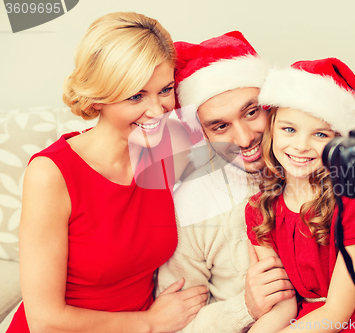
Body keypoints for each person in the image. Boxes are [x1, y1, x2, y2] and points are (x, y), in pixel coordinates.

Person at [158, 31, 355, 332]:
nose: (244, 138)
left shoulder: (339, 168)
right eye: (219, 126)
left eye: (252, 112)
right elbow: (178, 322)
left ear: (275, 107)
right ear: (202, 132)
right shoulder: (193, 205)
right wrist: (245, 306)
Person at [8, 12, 208, 333]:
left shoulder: (166, 149)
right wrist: (150, 322)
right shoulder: (51, 174)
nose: (157, 111)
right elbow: (45, 320)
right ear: (98, 97)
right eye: (136, 96)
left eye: (165, 90)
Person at [245, 58, 355, 332]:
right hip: (305, 319)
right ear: (271, 129)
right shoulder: (260, 208)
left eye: (320, 134)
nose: (301, 146)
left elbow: (337, 312)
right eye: (289, 129)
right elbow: (284, 304)